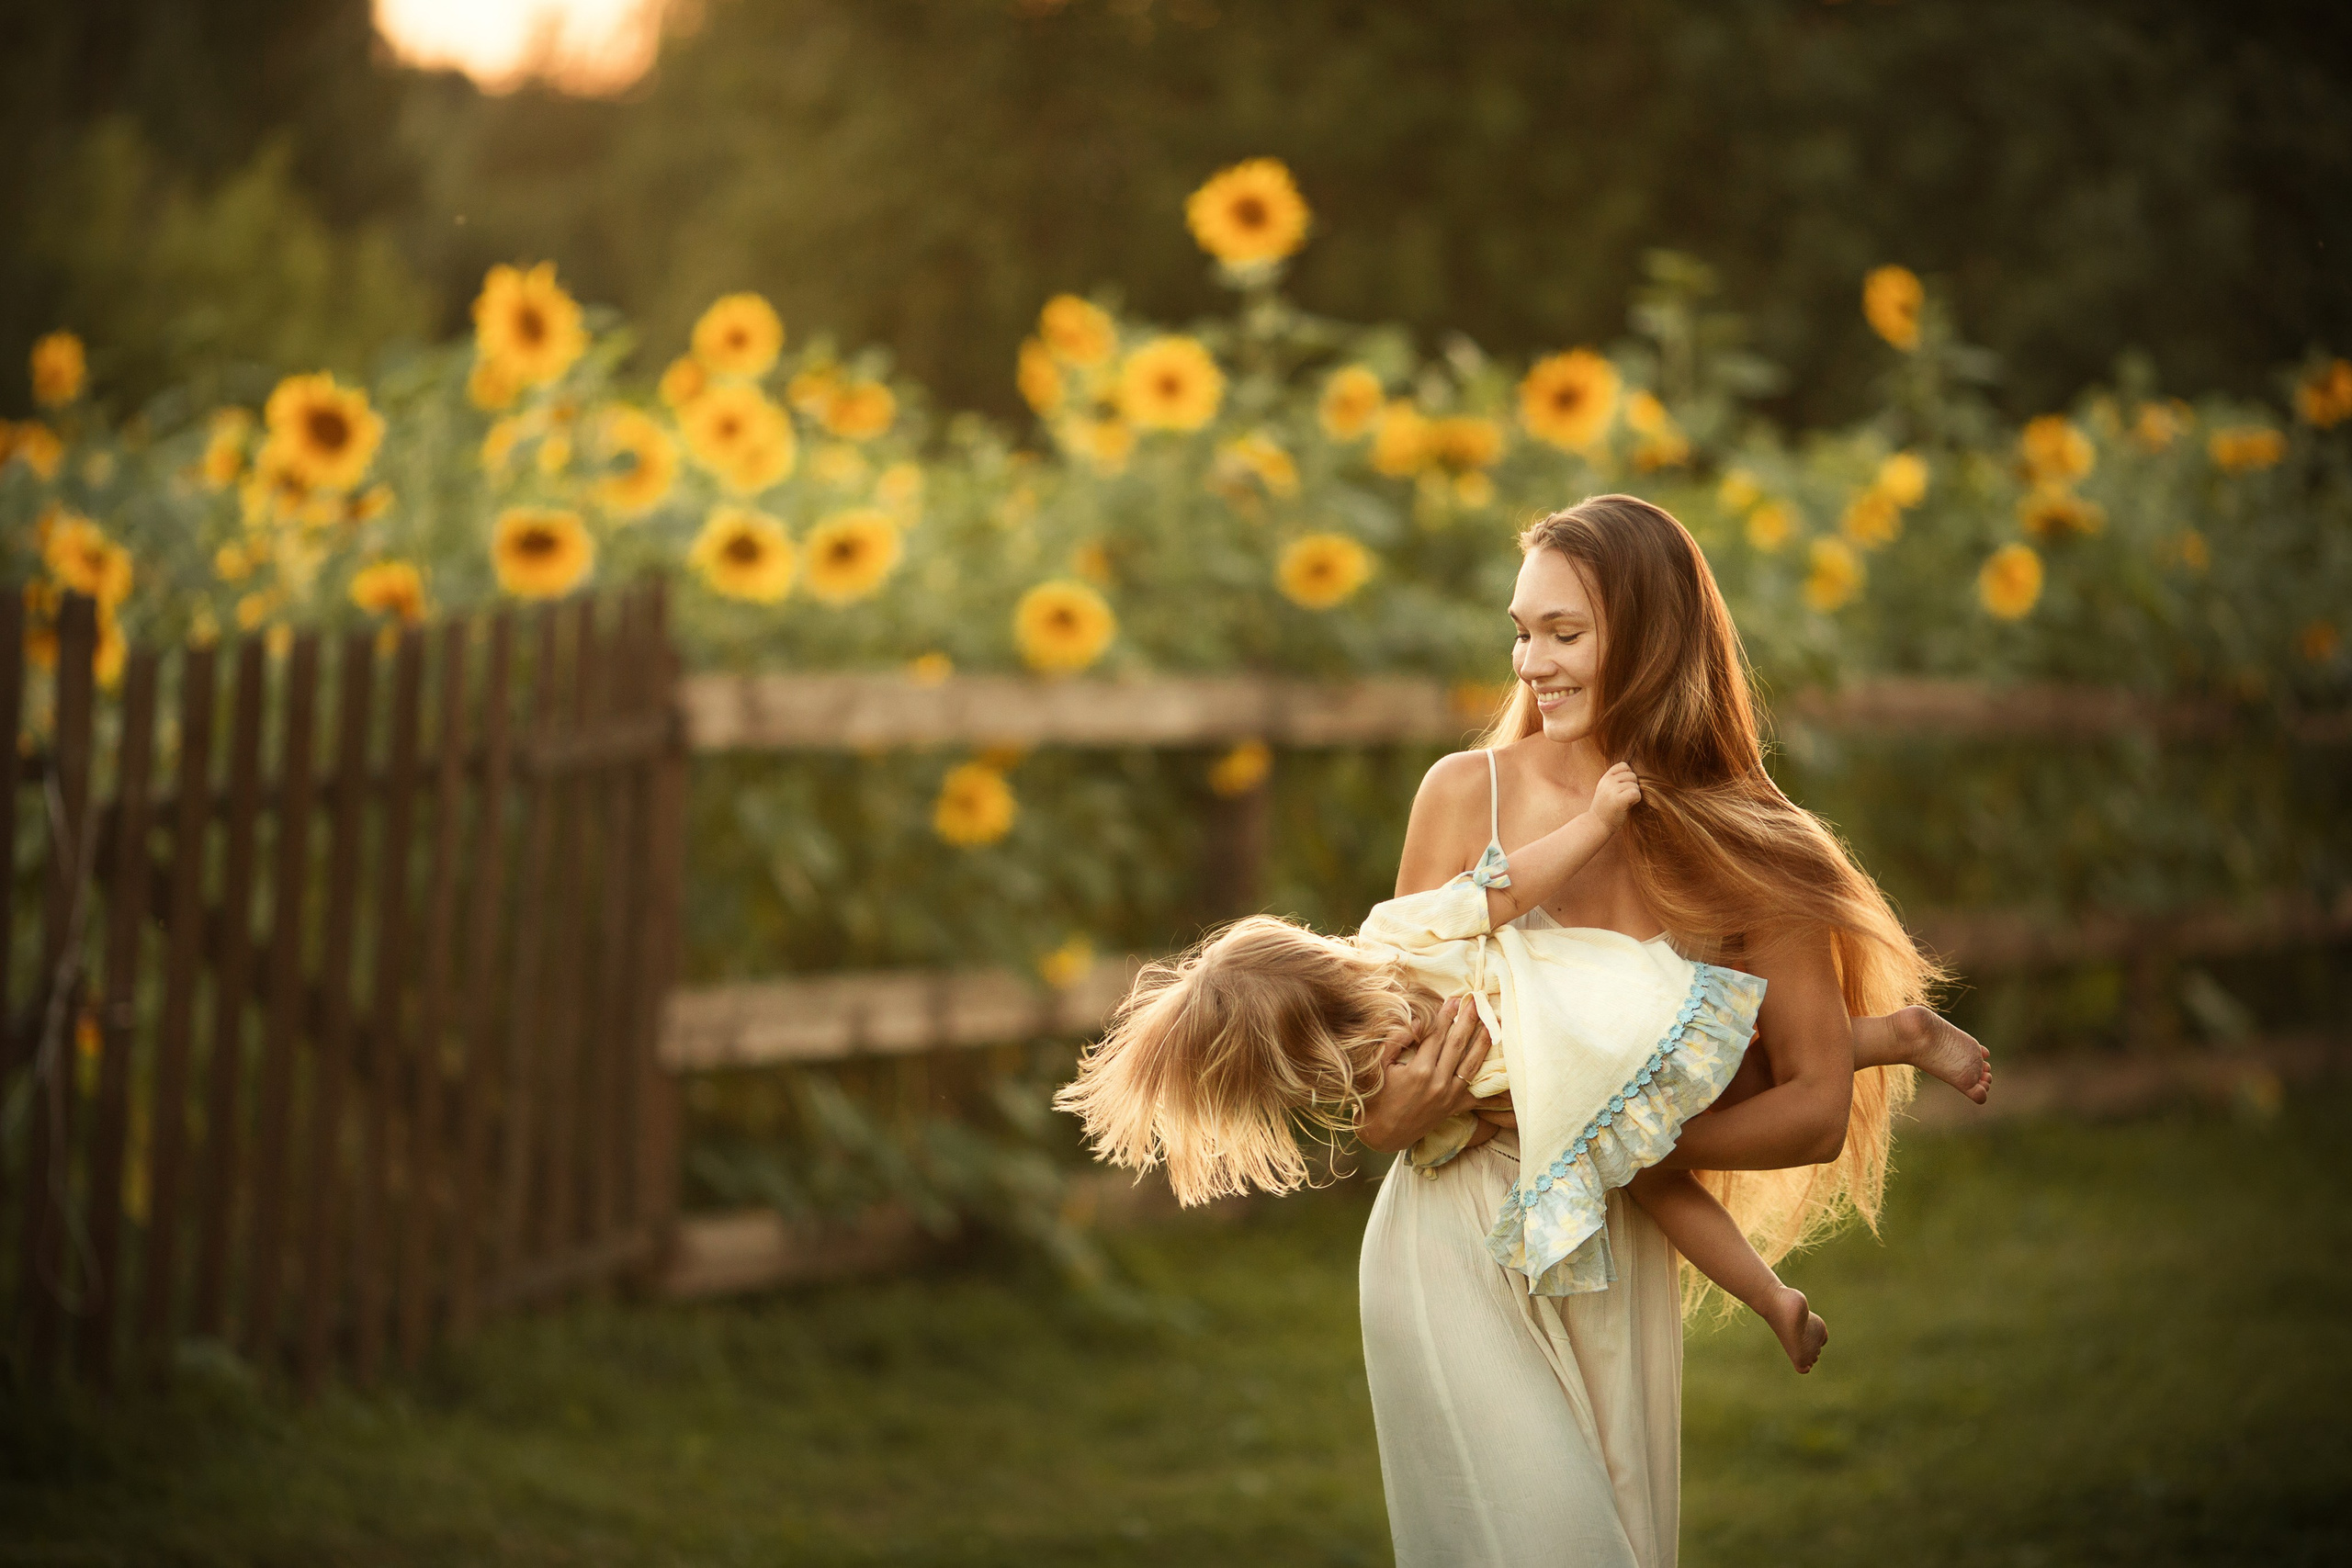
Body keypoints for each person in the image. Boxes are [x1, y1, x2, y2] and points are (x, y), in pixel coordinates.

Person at [1339, 493, 1986, 1566]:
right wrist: (1385, 1116)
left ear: (1647, 639)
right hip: (1452, 1236)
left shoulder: (1759, 848)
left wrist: (1612, 1141)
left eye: (1564, 633)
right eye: (1519, 630)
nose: (1529, 663)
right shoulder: (1463, 797)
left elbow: (1815, 1105)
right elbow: (1389, 1056)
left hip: (1622, 1243)